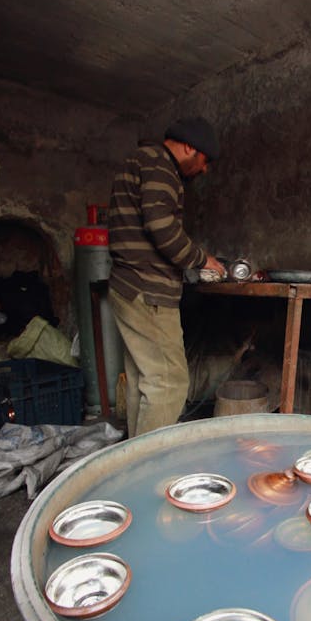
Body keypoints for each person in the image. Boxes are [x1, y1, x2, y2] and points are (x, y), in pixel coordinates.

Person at [108, 116, 226, 437]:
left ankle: (131, 461)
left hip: (126, 286)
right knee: (169, 382)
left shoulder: (138, 160)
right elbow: (161, 227)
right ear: (189, 147)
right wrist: (204, 260)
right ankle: (149, 467)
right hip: (148, 291)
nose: (204, 169)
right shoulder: (160, 166)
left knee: (143, 382)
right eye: (204, 160)